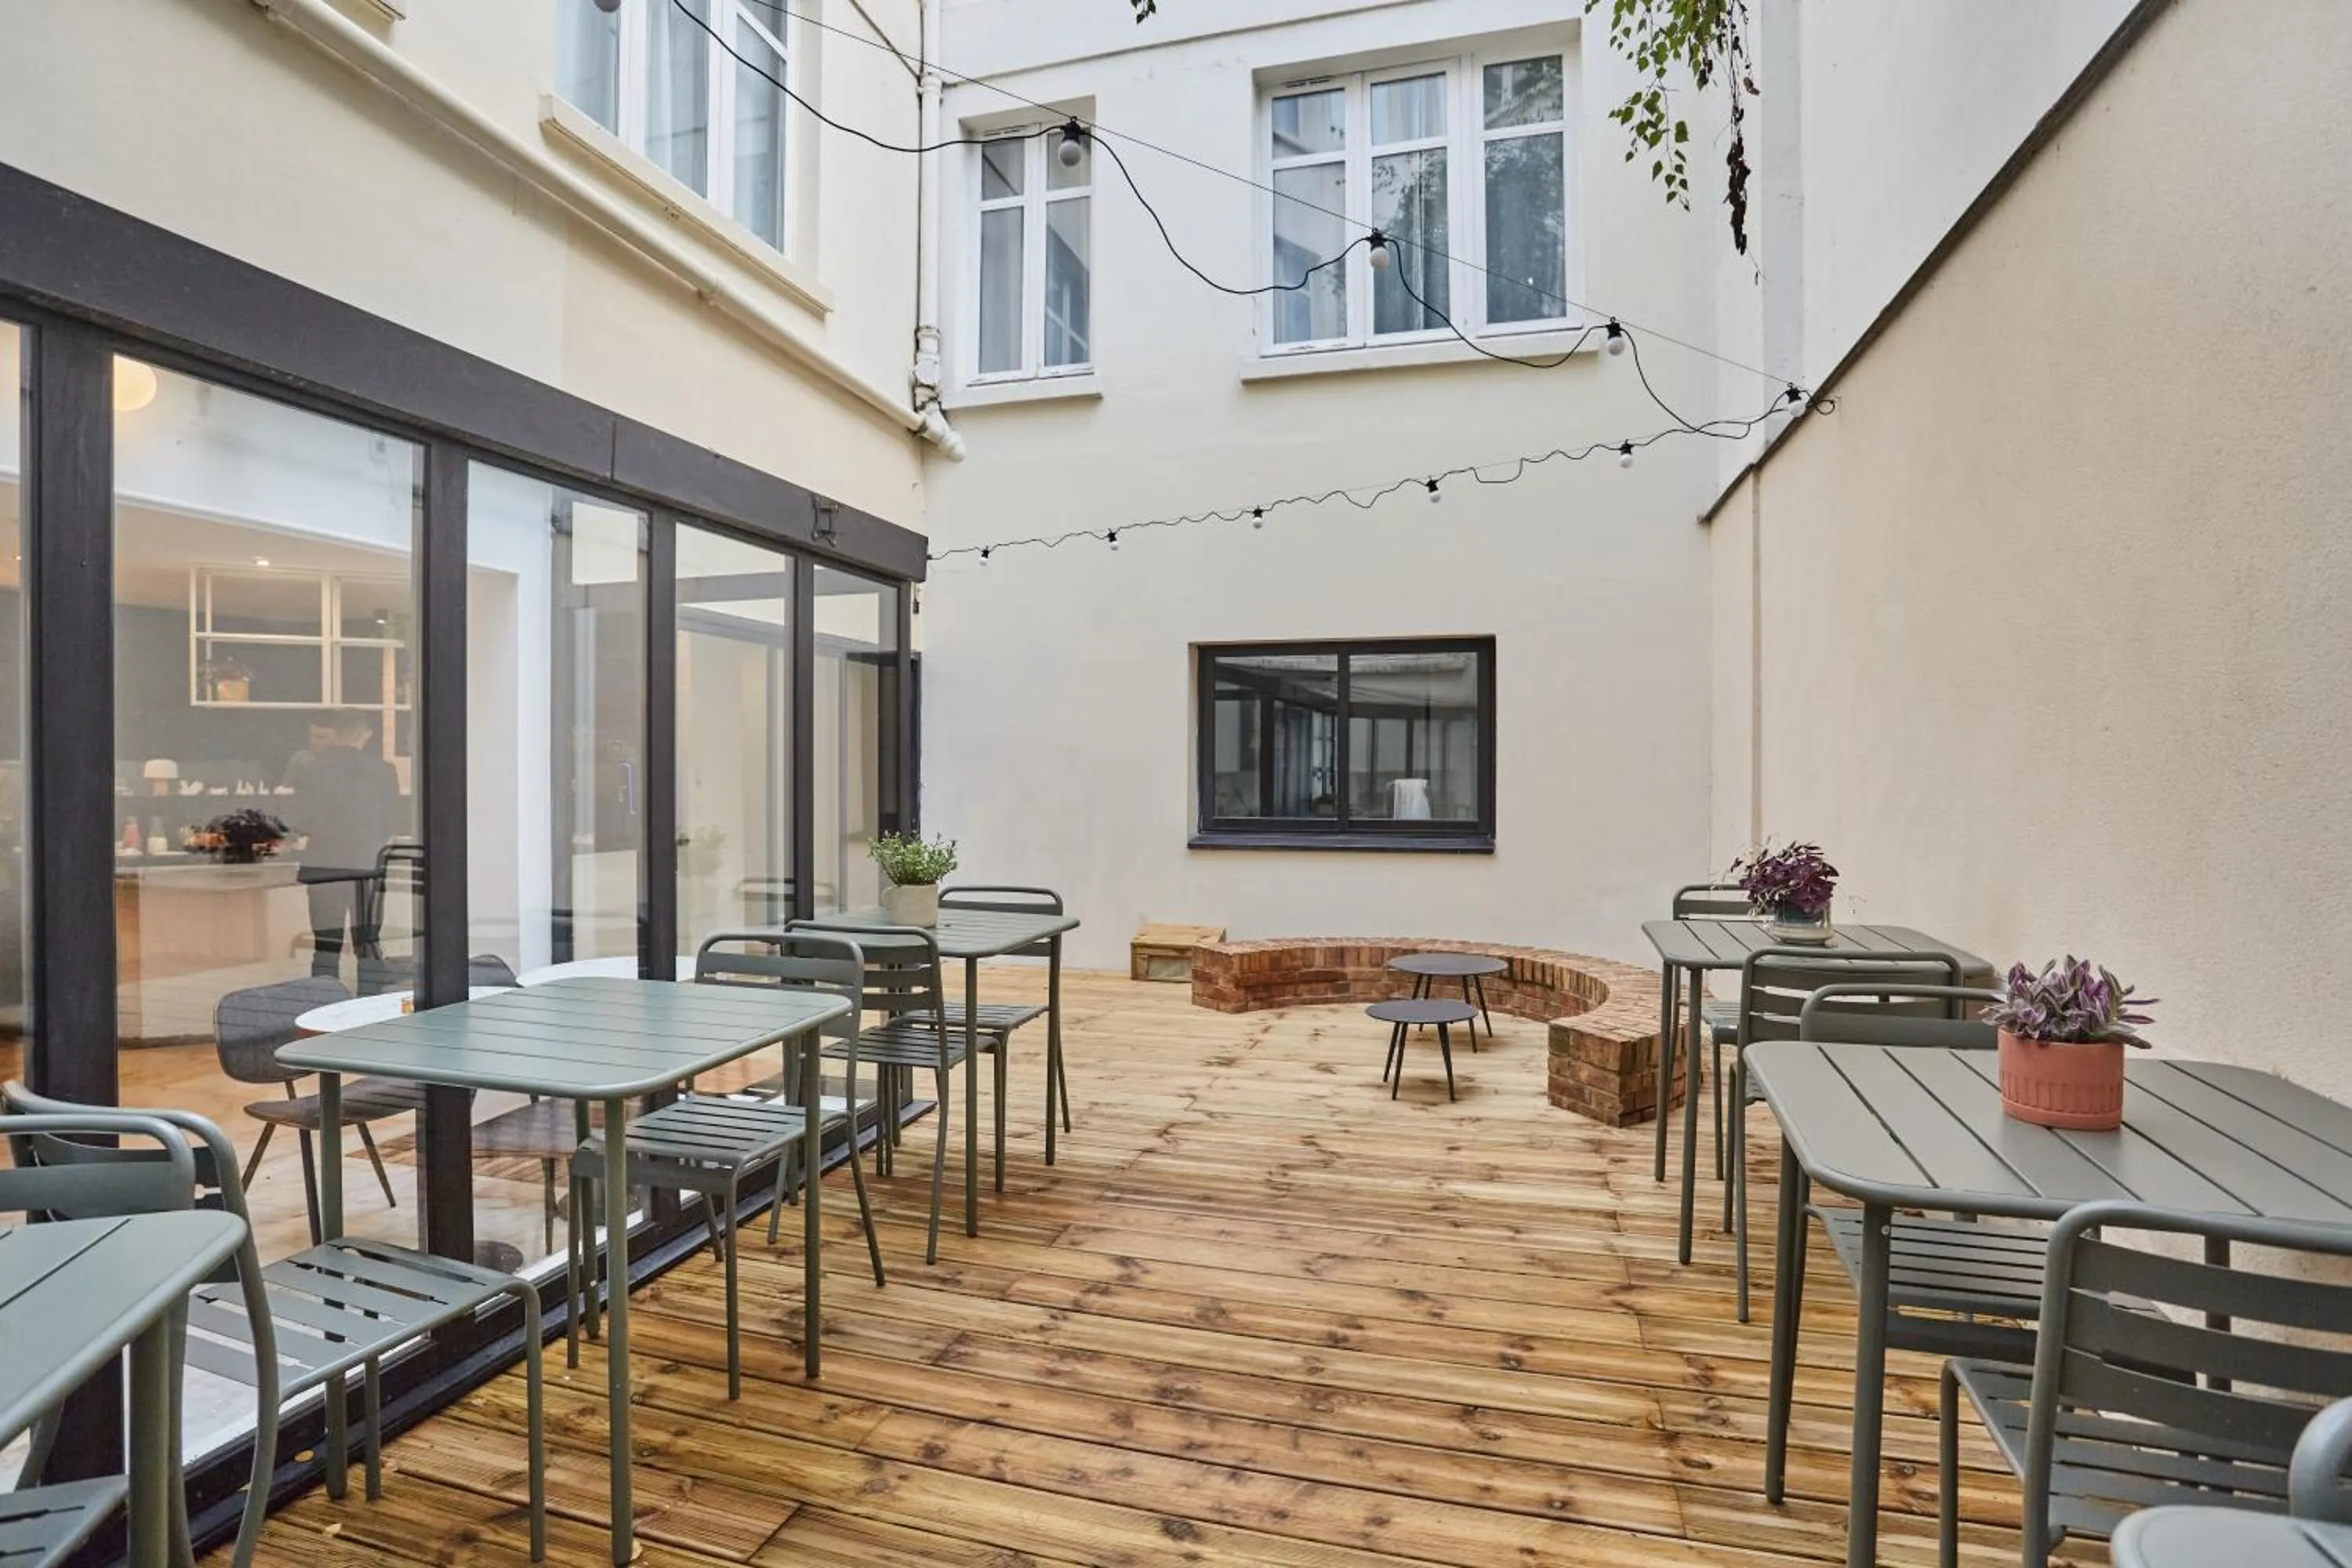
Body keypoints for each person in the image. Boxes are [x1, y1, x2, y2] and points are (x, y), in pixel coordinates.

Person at [283, 710, 401, 991]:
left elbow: (300, 820)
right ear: (367, 734)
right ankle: (370, 1009)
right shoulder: (384, 771)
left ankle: (323, 1005)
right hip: (366, 866)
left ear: (335, 734)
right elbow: (393, 821)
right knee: (368, 942)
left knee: (326, 946)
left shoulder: (311, 769)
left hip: (324, 865)